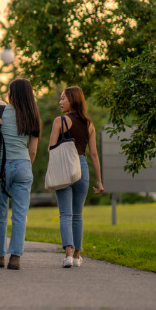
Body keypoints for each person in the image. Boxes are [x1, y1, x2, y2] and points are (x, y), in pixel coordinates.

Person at [49, 85, 104, 268]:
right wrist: (99, 181)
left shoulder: (60, 121)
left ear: (72, 99)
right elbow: (94, 154)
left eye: (63, 98)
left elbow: (51, 148)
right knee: (77, 215)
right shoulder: (89, 123)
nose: (60, 101)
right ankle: (77, 256)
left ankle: (68, 254)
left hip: (65, 167)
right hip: (82, 167)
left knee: (65, 213)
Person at [0, 78, 40, 270]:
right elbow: (33, 151)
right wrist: (24, 165)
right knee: (20, 214)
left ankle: (0, 256)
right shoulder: (33, 115)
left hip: (0, 167)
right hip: (23, 165)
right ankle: (16, 257)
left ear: (12, 93)